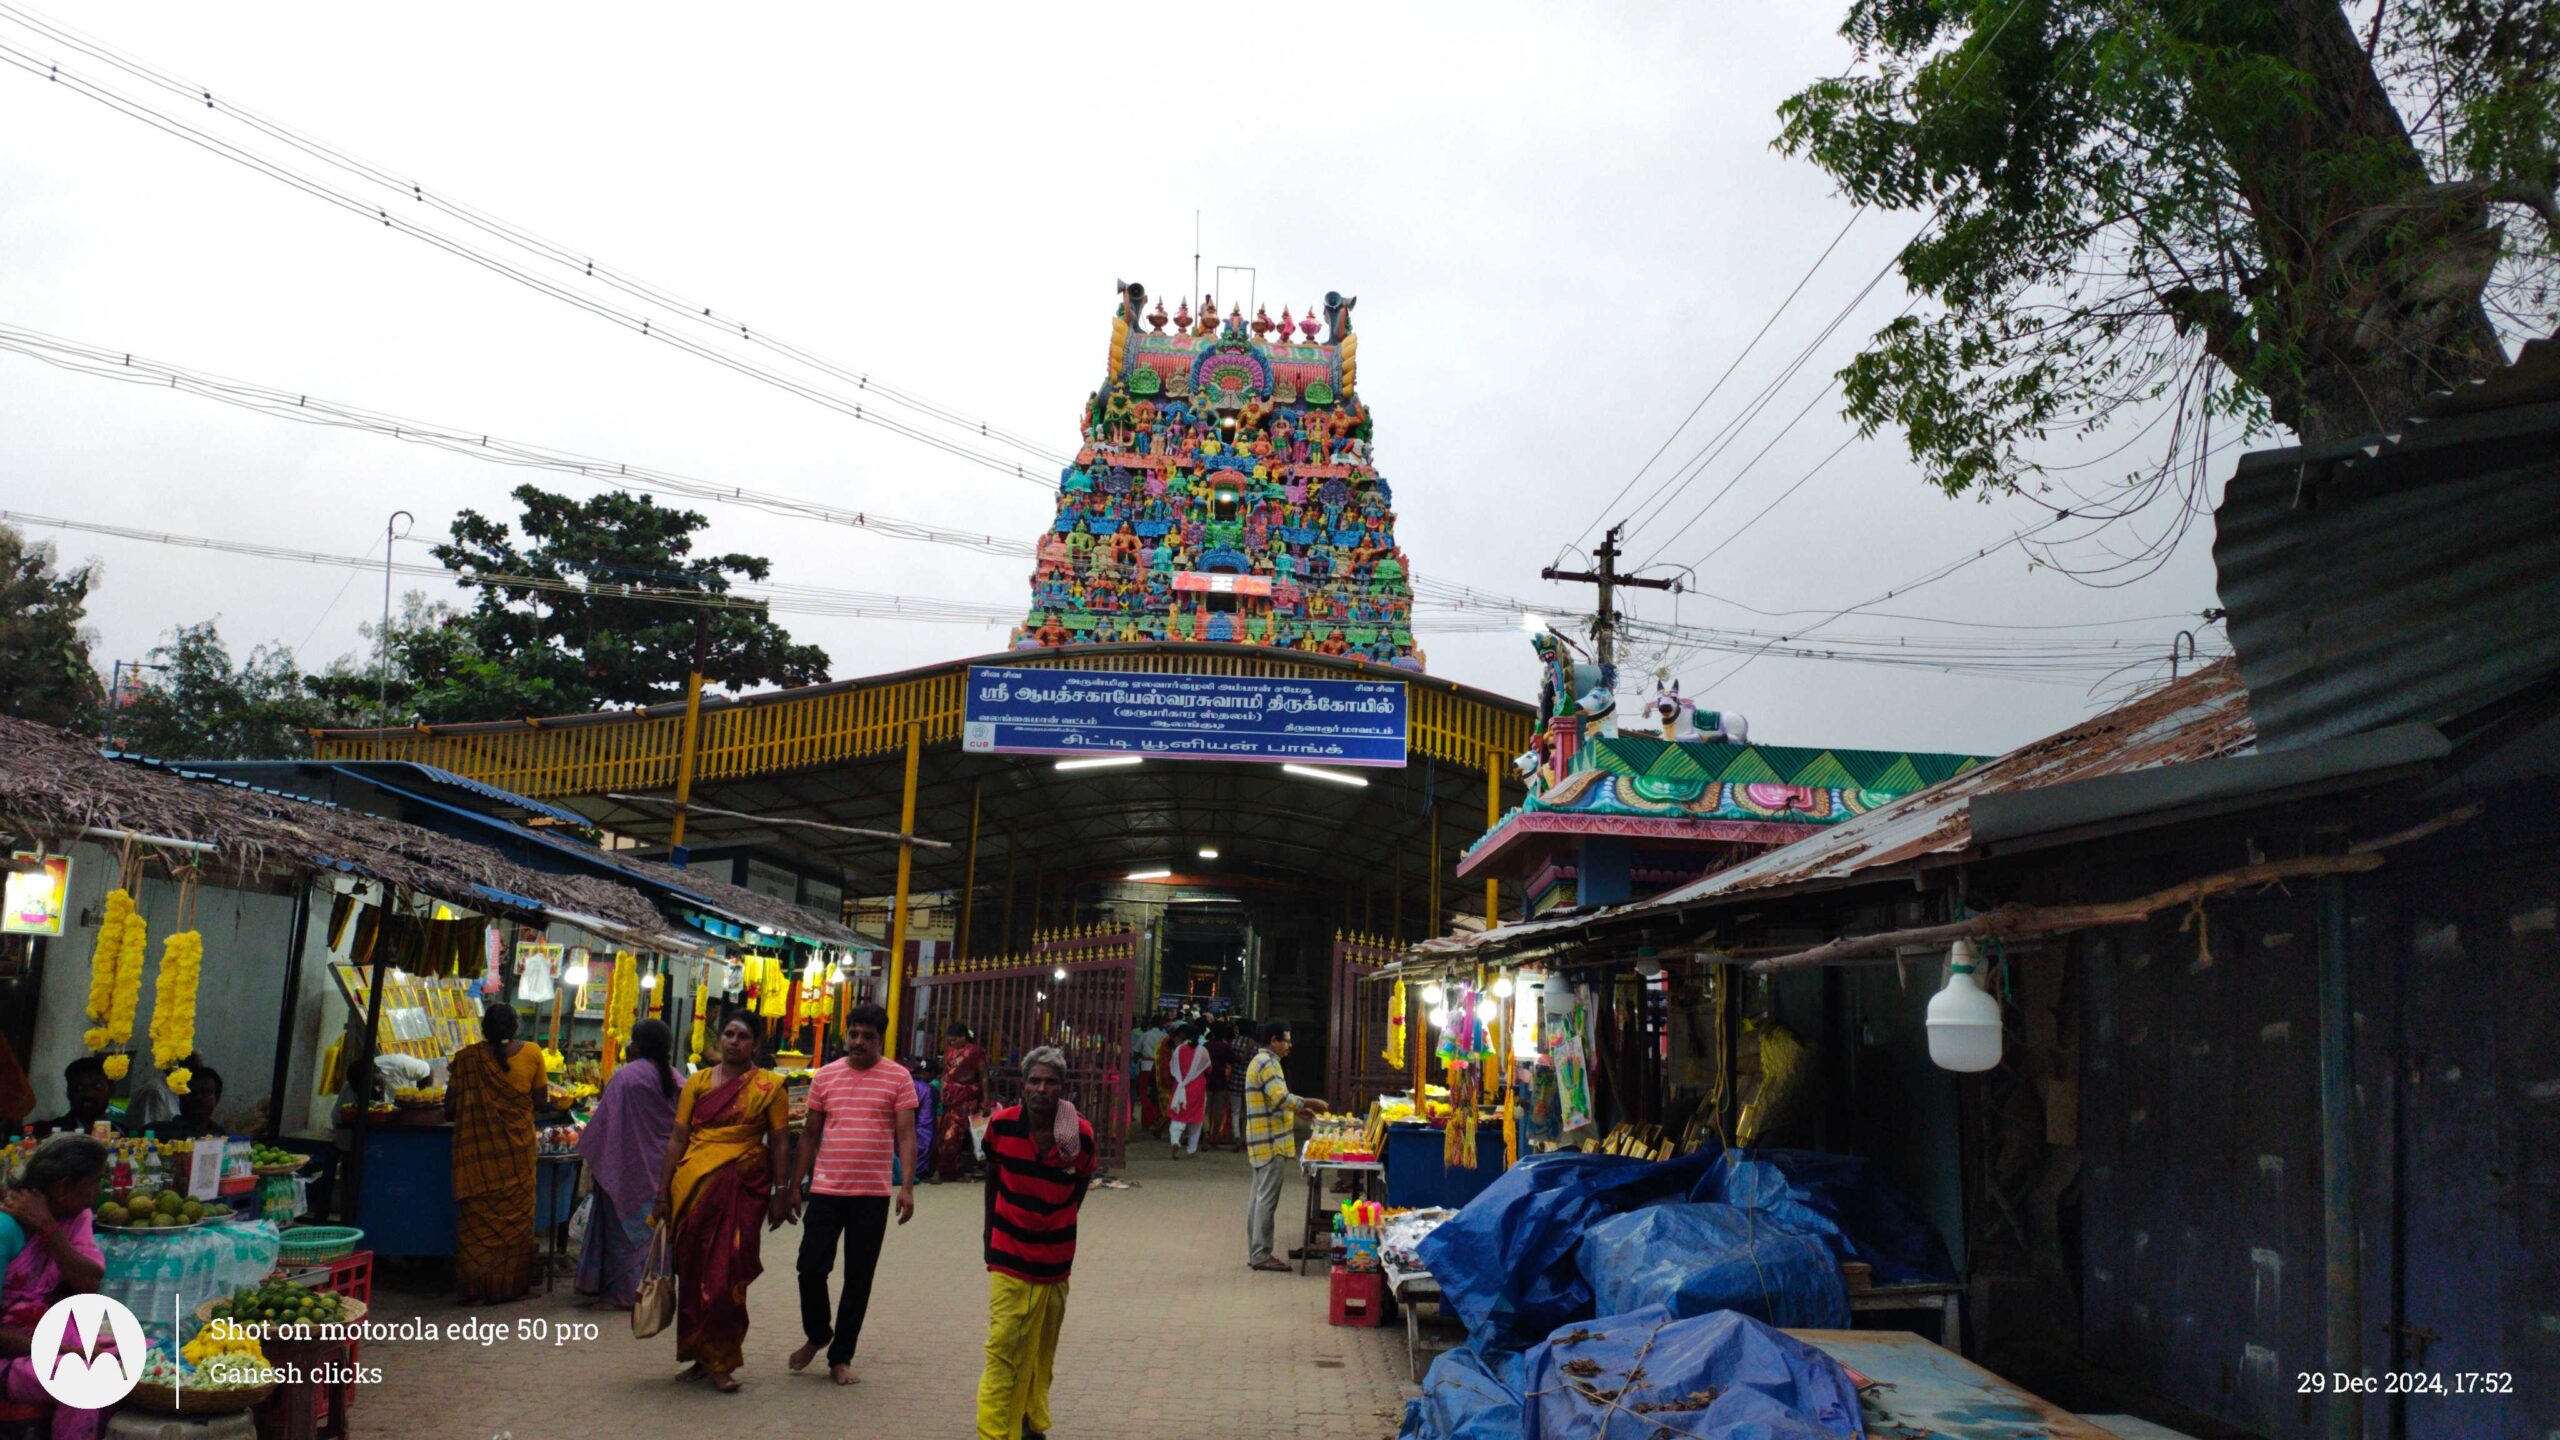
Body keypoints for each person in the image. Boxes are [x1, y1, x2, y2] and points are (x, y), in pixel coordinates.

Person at [659, 1011, 792, 1393]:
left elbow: (780, 1142)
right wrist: (662, 1192)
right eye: (729, 1034)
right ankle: (699, 1358)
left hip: (741, 1189)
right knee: (692, 1277)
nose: (734, 1041)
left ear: (756, 1044)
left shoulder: (770, 1087)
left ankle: (722, 1360)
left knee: (726, 1278)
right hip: (692, 1187)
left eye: (743, 1036)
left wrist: (781, 1192)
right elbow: (678, 1138)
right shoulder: (698, 1083)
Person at [786, 1003, 914, 1386]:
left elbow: (906, 1135)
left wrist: (907, 1188)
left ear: (880, 1040)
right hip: (826, 1191)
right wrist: (794, 1186)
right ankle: (818, 1333)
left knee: (858, 1278)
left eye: (867, 1037)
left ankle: (840, 1357)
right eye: (853, 1034)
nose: (858, 1042)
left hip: (872, 1195)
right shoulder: (825, 1077)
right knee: (810, 1267)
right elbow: (809, 1135)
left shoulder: (898, 1078)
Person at [974, 1047, 1094, 1440]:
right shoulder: (1002, 1125)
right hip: (1008, 1251)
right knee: (1003, 1345)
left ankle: (1030, 1418)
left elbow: (1081, 1183)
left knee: (1041, 1348)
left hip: (1056, 1258)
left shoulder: (1079, 1135)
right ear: (1023, 1086)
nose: (1042, 1089)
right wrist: (989, 1233)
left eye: (1050, 1082)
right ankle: (994, 1432)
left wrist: (1059, 1218)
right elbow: (993, 1179)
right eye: (1035, 1081)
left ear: (1063, 1088)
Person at [0, 1133, 110, 1439]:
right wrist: (68, 1351)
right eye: (94, 1182)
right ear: (63, 1187)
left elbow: (89, 1282)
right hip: (10, 1354)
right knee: (84, 1378)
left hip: (43, 1341)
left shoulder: (72, 1217)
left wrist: (49, 1230)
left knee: (135, 1355)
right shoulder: (5, 1229)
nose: (97, 1192)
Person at [575, 1018, 678, 1309]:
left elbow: (603, 1123)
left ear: (639, 1044)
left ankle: (622, 1294)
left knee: (622, 1235)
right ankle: (652, 1291)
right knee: (654, 1233)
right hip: (662, 1170)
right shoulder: (676, 1078)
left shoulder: (626, 1077)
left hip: (625, 1167)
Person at [448, 1002, 546, 1303]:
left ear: (484, 1028)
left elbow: (450, 1107)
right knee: (517, 1222)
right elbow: (541, 1101)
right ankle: (509, 1287)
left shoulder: (466, 1059)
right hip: (517, 1153)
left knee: (476, 1224)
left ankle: (475, 1288)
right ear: (515, 1027)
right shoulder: (533, 1053)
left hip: (478, 1157)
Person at [1243, 1020, 1327, 1272]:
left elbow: (1274, 1100)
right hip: (1270, 1141)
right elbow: (1281, 1097)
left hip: (1262, 1140)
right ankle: (1261, 1254)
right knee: (1266, 1201)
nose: (1290, 1045)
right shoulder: (1267, 1063)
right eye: (1286, 1041)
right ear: (1274, 1040)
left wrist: (1298, 1112)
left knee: (1258, 1199)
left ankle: (1256, 1252)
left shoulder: (1261, 1062)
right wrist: (1311, 1102)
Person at [933, 1022, 989, 1182]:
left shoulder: (976, 1052)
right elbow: (945, 1073)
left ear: (964, 1037)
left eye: (955, 1039)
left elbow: (983, 1076)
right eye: (950, 1040)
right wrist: (943, 1091)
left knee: (954, 1134)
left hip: (967, 1098)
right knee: (944, 1134)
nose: (952, 1043)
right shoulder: (949, 1051)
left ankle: (941, 1171)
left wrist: (986, 1100)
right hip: (949, 1098)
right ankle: (952, 1170)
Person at [1162, 1024, 1214, 1159]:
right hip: (1198, 1088)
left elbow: (1172, 1068)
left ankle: (1175, 1140)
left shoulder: (1179, 1049)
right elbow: (1209, 1070)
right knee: (1196, 1119)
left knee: (1178, 1116)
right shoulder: (1203, 1051)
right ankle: (1191, 1149)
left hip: (1180, 1087)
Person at [141, 1062, 224, 1142]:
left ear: (216, 1099)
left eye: (205, 1092)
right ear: (180, 1096)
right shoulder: (157, 1133)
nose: (197, 1097)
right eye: (190, 1091)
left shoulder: (220, 1137)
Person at [33, 1057, 111, 1138]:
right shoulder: (43, 1133)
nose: (89, 1094)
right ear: (69, 1092)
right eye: (80, 1087)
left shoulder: (119, 1133)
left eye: (97, 1086)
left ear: (111, 1090)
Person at [1224, 1019, 1259, 1153]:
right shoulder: (1256, 1046)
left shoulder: (1233, 1043)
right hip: (1250, 1082)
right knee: (1248, 1112)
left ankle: (1237, 1138)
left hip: (1235, 1081)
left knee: (1235, 1112)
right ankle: (1246, 1139)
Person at [1132, 1018, 1166, 1132]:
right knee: (1158, 1095)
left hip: (1146, 1066)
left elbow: (1136, 1051)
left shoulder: (1145, 1035)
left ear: (1151, 1025)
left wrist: (1137, 1059)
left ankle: (1147, 1120)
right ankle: (1157, 1120)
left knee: (1144, 1094)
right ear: (1161, 1025)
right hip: (1160, 1068)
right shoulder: (1165, 1036)